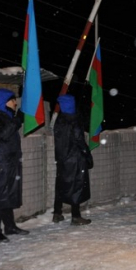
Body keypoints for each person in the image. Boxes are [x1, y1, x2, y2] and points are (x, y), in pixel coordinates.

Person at [0, 89, 29, 243]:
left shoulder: (6, 117)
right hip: (1, 164)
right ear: (4, 102)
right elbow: (3, 135)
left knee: (8, 195)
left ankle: (10, 226)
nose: (15, 103)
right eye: (12, 100)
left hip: (10, 163)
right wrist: (17, 121)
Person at [53, 95, 92, 226]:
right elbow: (79, 141)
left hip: (62, 160)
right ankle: (76, 216)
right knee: (76, 187)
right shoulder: (73, 121)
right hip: (75, 160)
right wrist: (87, 155)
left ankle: (57, 213)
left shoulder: (59, 121)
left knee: (61, 185)